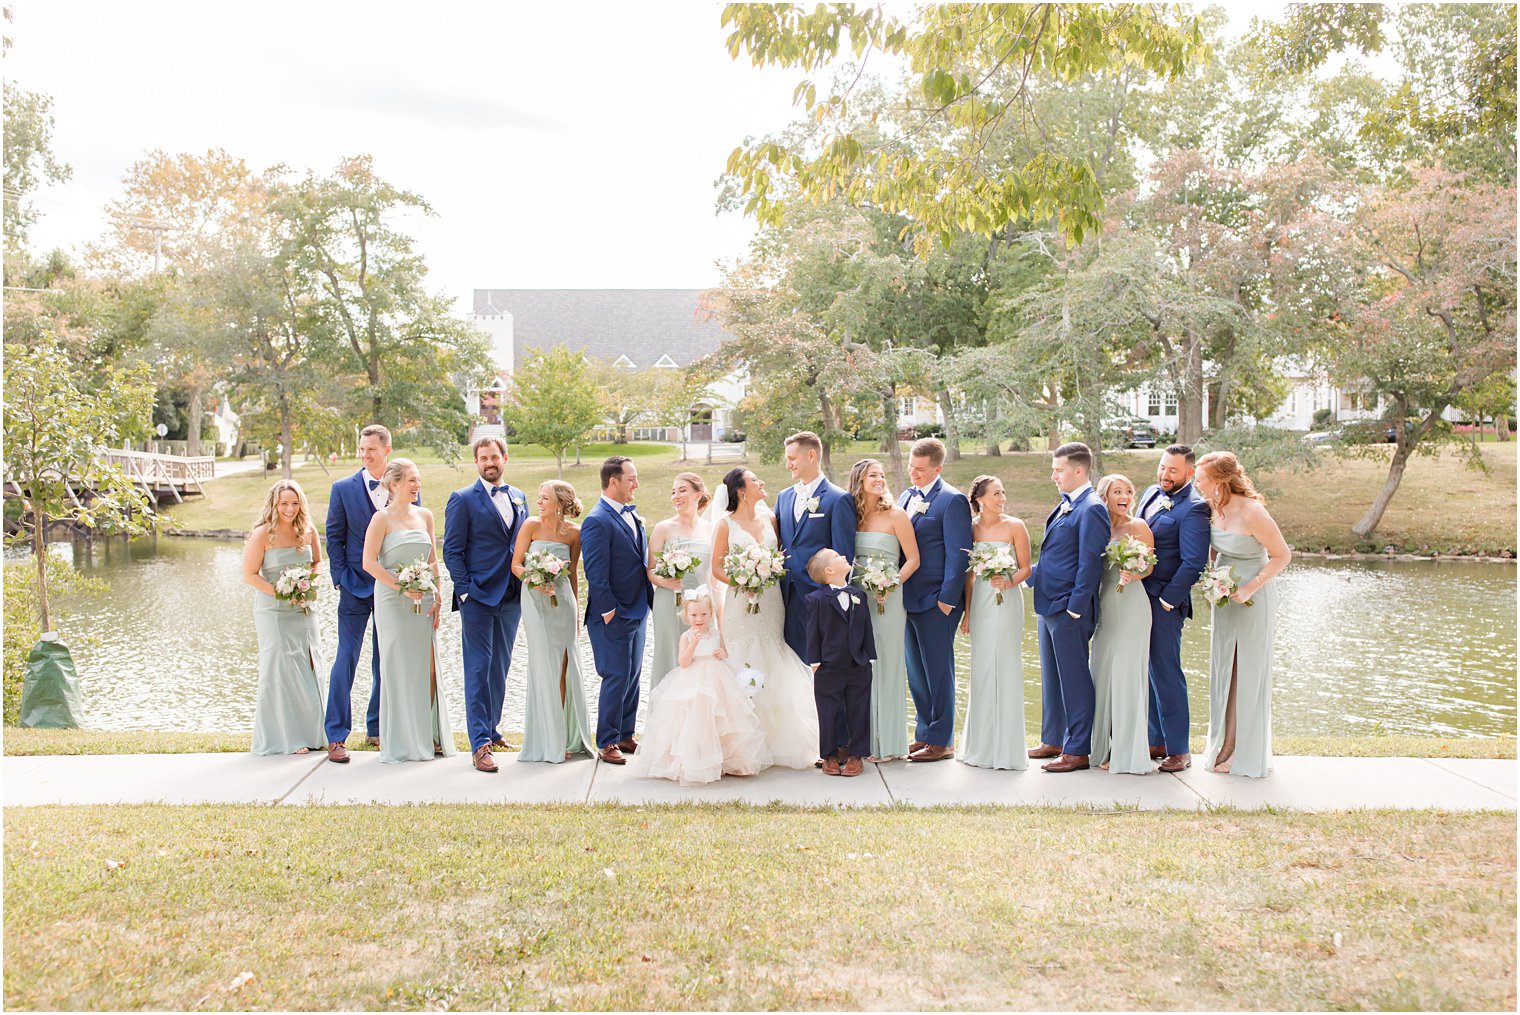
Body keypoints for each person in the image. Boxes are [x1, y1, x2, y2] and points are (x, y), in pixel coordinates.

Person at [709, 467, 821, 769]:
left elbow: (782, 557)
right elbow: (717, 568)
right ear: (741, 490)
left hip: (771, 601)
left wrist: (764, 575)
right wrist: (744, 582)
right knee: (742, 656)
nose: (761, 481)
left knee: (772, 654)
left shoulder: (771, 518)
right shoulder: (725, 525)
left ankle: (775, 743)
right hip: (740, 603)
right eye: (754, 479)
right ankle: (740, 745)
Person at [1194, 451, 1291, 778]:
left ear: (1219, 480)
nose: (1196, 483)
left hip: (1253, 598)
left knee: (1247, 671)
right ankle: (1223, 742)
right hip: (1223, 597)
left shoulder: (1252, 512)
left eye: (1200, 479)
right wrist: (1211, 577)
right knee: (1225, 669)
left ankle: (1242, 751)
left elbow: (1282, 555)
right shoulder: (1212, 508)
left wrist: (1250, 587)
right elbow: (1214, 548)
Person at [361, 458, 456, 764]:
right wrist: (400, 585)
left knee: (427, 667)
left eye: (418, 480)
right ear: (394, 484)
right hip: (392, 600)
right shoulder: (381, 519)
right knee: (398, 667)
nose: (418, 485)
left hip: (424, 599)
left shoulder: (425, 515)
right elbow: (369, 563)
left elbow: (431, 560)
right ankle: (402, 738)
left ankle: (428, 733)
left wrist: (438, 594)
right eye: (412, 480)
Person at [442, 436, 527, 774]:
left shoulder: (519, 497)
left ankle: (492, 728)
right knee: (478, 667)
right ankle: (479, 745)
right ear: (476, 462)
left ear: (505, 458)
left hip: (511, 596)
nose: (490, 462)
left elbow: (522, 544)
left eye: (495, 456)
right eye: (483, 458)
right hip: (477, 597)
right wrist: (465, 591)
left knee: (501, 666)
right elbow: (452, 551)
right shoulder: (462, 499)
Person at [1026, 442, 1109, 773]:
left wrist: (1075, 608)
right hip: (1047, 604)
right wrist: (1023, 574)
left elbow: (1090, 563)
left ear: (1079, 470)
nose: (1053, 476)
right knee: (1052, 677)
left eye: (1058, 470)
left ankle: (1077, 749)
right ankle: (1054, 739)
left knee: (1074, 679)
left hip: (1068, 610)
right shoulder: (1065, 505)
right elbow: (1055, 555)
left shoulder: (1092, 508)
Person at [632, 588, 771, 786]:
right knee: (697, 719)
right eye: (694, 615)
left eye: (704, 614)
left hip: (718, 678)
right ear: (687, 616)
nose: (699, 619)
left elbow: (725, 653)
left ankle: (727, 760)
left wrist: (722, 653)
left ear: (711, 614)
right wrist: (693, 645)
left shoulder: (716, 633)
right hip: (694, 679)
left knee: (722, 718)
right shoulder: (687, 636)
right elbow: (684, 662)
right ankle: (697, 761)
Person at [323, 423, 403, 763]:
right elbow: (333, 535)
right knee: (346, 658)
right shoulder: (342, 489)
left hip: (392, 589)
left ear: (386, 449)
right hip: (355, 587)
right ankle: (336, 735)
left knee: (385, 658)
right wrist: (340, 577)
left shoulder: (403, 486)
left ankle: (377, 728)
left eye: (371, 449)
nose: (365, 455)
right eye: (361, 449)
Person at [895, 437, 973, 763]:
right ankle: (925, 732)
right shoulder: (905, 496)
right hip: (908, 598)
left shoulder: (952, 501)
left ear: (937, 468)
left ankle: (942, 741)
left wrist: (947, 600)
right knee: (916, 671)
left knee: (939, 671)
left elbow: (959, 556)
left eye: (921, 469)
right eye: (911, 466)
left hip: (936, 601)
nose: (914, 473)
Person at [1136, 444, 1211, 773]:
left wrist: (1168, 600)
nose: (1165, 475)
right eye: (1163, 467)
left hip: (1164, 602)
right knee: (1147, 670)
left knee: (1166, 673)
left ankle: (1180, 749)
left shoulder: (1194, 509)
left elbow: (1194, 562)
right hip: (1138, 597)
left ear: (1189, 473)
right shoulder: (1151, 492)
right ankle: (1157, 740)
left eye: (1173, 471)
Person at [511, 480, 595, 764]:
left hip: (563, 601)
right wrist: (533, 581)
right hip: (534, 600)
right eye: (539, 497)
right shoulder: (530, 526)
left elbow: (572, 573)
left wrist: (577, 607)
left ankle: (563, 736)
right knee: (542, 663)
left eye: (545, 498)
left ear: (559, 503)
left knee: (563, 665)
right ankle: (546, 738)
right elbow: (516, 564)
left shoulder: (575, 533)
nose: (540, 502)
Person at [243, 479, 326, 756]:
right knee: (280, 667)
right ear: (274, 505)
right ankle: (285, 737)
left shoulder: (308, 530)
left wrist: (309, 583)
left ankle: (313, 732)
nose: (289, 509)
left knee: (308, 665)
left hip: (303, 608)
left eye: (294, 503)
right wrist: (282, 594)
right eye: (284, 504)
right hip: (273, 611)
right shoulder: (263, 534)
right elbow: (250, 575)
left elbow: (317, 562)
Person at [580, 456, 653, 765]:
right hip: (613, 613)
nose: (636, 484)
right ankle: (607, 739)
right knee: (616, 675)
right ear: (613, 482)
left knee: (633, 675)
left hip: (638, 608)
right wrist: (609, 611)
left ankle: (625, 732)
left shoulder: (632, 517)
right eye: (631, 479)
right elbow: (595, 574)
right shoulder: (596, 520)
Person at [847, 458, 920, 762]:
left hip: (888, 598)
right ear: (859, 481)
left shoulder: (896, 515)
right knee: (861, 666)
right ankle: (861, 741)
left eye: (881, 474)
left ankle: (888, 743)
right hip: (857, 597)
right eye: (872, 475)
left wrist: (889, 585)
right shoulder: (851, 516)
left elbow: (913, 560)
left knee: (887, 663)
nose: (879, 479)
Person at [957, 475, 1032, 771]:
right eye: (997, 493)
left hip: (1007, 598)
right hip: (980, 604)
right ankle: (981, 745)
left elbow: (1026, 567)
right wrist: (967, 611)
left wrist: (1008, 581)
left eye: (1003, 492)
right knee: (983, 667)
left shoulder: (1016, 526)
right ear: (981, 499)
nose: (1003, 498)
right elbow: (969, 574)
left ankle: (1008, 749)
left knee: (1006, 666)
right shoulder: (971, 529)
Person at [1089, 474, 1154, 775]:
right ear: (1105, 495)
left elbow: (1150, 564)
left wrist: (1135, 573)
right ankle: (1098, 746)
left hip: (1131, 606)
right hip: (1105, 607)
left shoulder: (1137, 526)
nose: (1125, 495)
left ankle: (1126, 751)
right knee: (1101, 676)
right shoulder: (1099, 527)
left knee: (1128, 678)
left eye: (1129, 490)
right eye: (1118, 491)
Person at [775, 431, 856, 663]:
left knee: (821, 667)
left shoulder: (838, 499)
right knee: (790, 667)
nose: (788, 464)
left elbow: (843, 556)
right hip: (784, 598)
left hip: (819, 598)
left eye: (792, 458)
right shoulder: (783, 497)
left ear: (811, 455)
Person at [804, 549, 877, 777]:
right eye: (837, 557)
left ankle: (857, 755)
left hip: (858, 664)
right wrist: (815, 662)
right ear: (829, 570)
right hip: (828, 665)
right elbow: (812, 633)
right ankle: (829, 754)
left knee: (859, 709)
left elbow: (866, 628)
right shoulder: (816, 600)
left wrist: (870, 657)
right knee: (828, 711)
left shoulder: (859, 595)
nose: (843, 557)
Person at [646, 472, 715, 688]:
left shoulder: (711, 529)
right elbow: (651, 571)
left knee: (702, 656)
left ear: (698, 495)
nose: (676, 496)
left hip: (703, 605)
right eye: (673, 492)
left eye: (682, 490)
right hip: (669, 602)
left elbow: (713, 575)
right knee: (669, 654)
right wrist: (664, 581)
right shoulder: (663, 528)